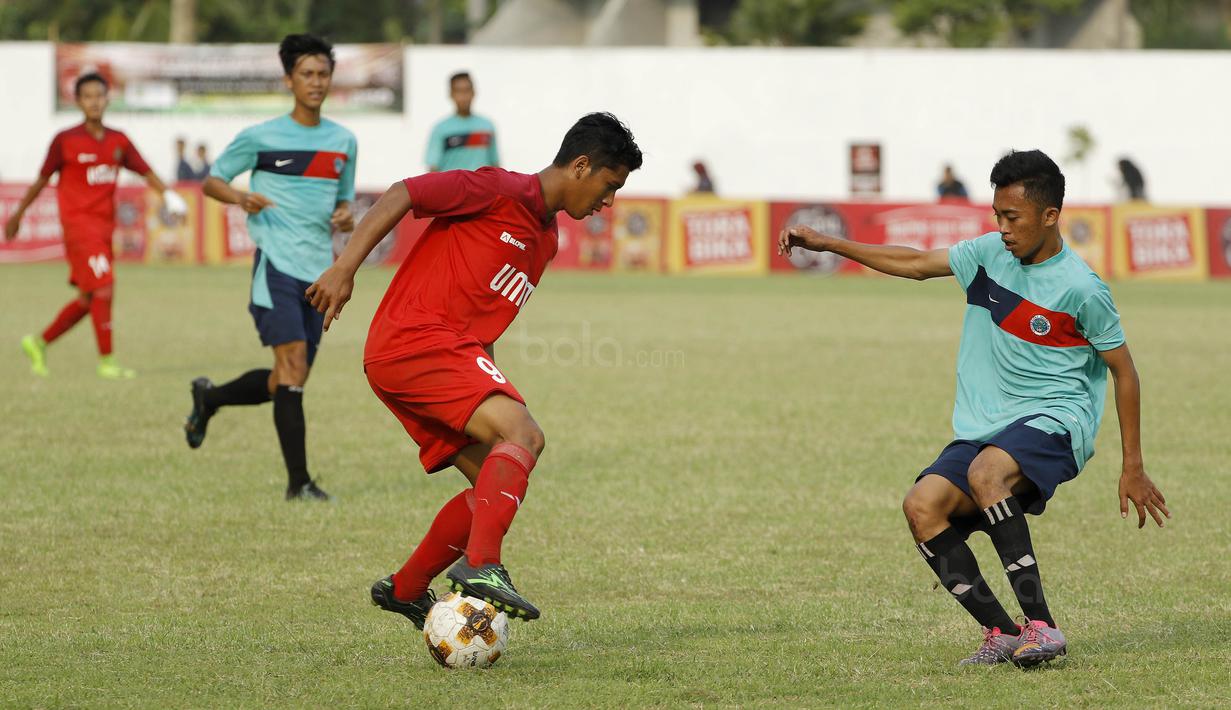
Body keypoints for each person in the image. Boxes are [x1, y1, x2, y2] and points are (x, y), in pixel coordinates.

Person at [779, 149, 1169, 667]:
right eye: (997, 216)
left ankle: (1042, 628)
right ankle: (1002, 632)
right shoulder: (987, 254)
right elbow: (916, 264)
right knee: (923, 506)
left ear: (1050, 216)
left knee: (989, 473)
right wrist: (827, 243)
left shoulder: (1082, 288)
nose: (1003, 228)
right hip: (990, 426)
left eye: (1013, 217)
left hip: (1057, 419)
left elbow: (1125, 371)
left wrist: (1133, 466)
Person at [306, 112, 642, 625]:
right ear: (580, 166)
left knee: (493, 483)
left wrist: (484, 372)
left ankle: (406, 587)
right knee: (524, 435)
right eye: (609, 185)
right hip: (416, 341)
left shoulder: (546, 240)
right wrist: (344, 267)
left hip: (436, 354)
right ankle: (482, 565)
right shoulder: (496, 188)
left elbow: (480, 315)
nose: (608, 202)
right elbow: (404, 193)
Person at [184, 34, 357, 502]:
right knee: (294, 367)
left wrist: (345, 214)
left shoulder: (344, 141)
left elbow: (343, 202)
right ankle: (299, 484)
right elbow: (212, 182)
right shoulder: (261, 137)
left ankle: (210, 397)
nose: (316, 82)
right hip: (276, 266)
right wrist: (241, 197)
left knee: (286, 380)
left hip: (320, 273)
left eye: (323, 74)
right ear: (288, 80)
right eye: (306, 74)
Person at [5, 72, 187, 379]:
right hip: (78, 227)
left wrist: (168, 195)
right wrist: (18, 213)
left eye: (99, 96)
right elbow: (42, 179)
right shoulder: (65, 140)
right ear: (78, 101)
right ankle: (108, 362)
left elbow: (145, 171)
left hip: (104, 229)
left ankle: (38, 342)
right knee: (104, 288)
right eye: (87, 96)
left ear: (107, 99)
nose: (94, 102)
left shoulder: (118, 141)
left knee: (89, 299)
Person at [425, 72, 499, 172]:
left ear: (473, 92)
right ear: (451, 94)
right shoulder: (440, 129)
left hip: (482, 187)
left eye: (467, 90)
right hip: (451, 187)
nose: (464, 96)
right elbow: (433, 169)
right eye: (459, 91)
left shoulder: (487, 126)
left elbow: (495, 165)